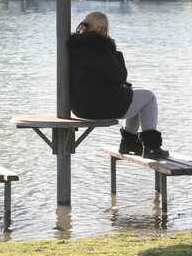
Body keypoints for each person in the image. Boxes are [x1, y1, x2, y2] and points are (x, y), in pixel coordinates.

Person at [67, 11, 169, 159]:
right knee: (149, 97)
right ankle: (151, 147)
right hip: (100, 106)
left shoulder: (74, 48)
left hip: (79, 108)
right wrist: (115, 52)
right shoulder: (102, 48)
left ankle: (129, 144)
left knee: (134, 96)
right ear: (104, 29)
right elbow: (120, 77)